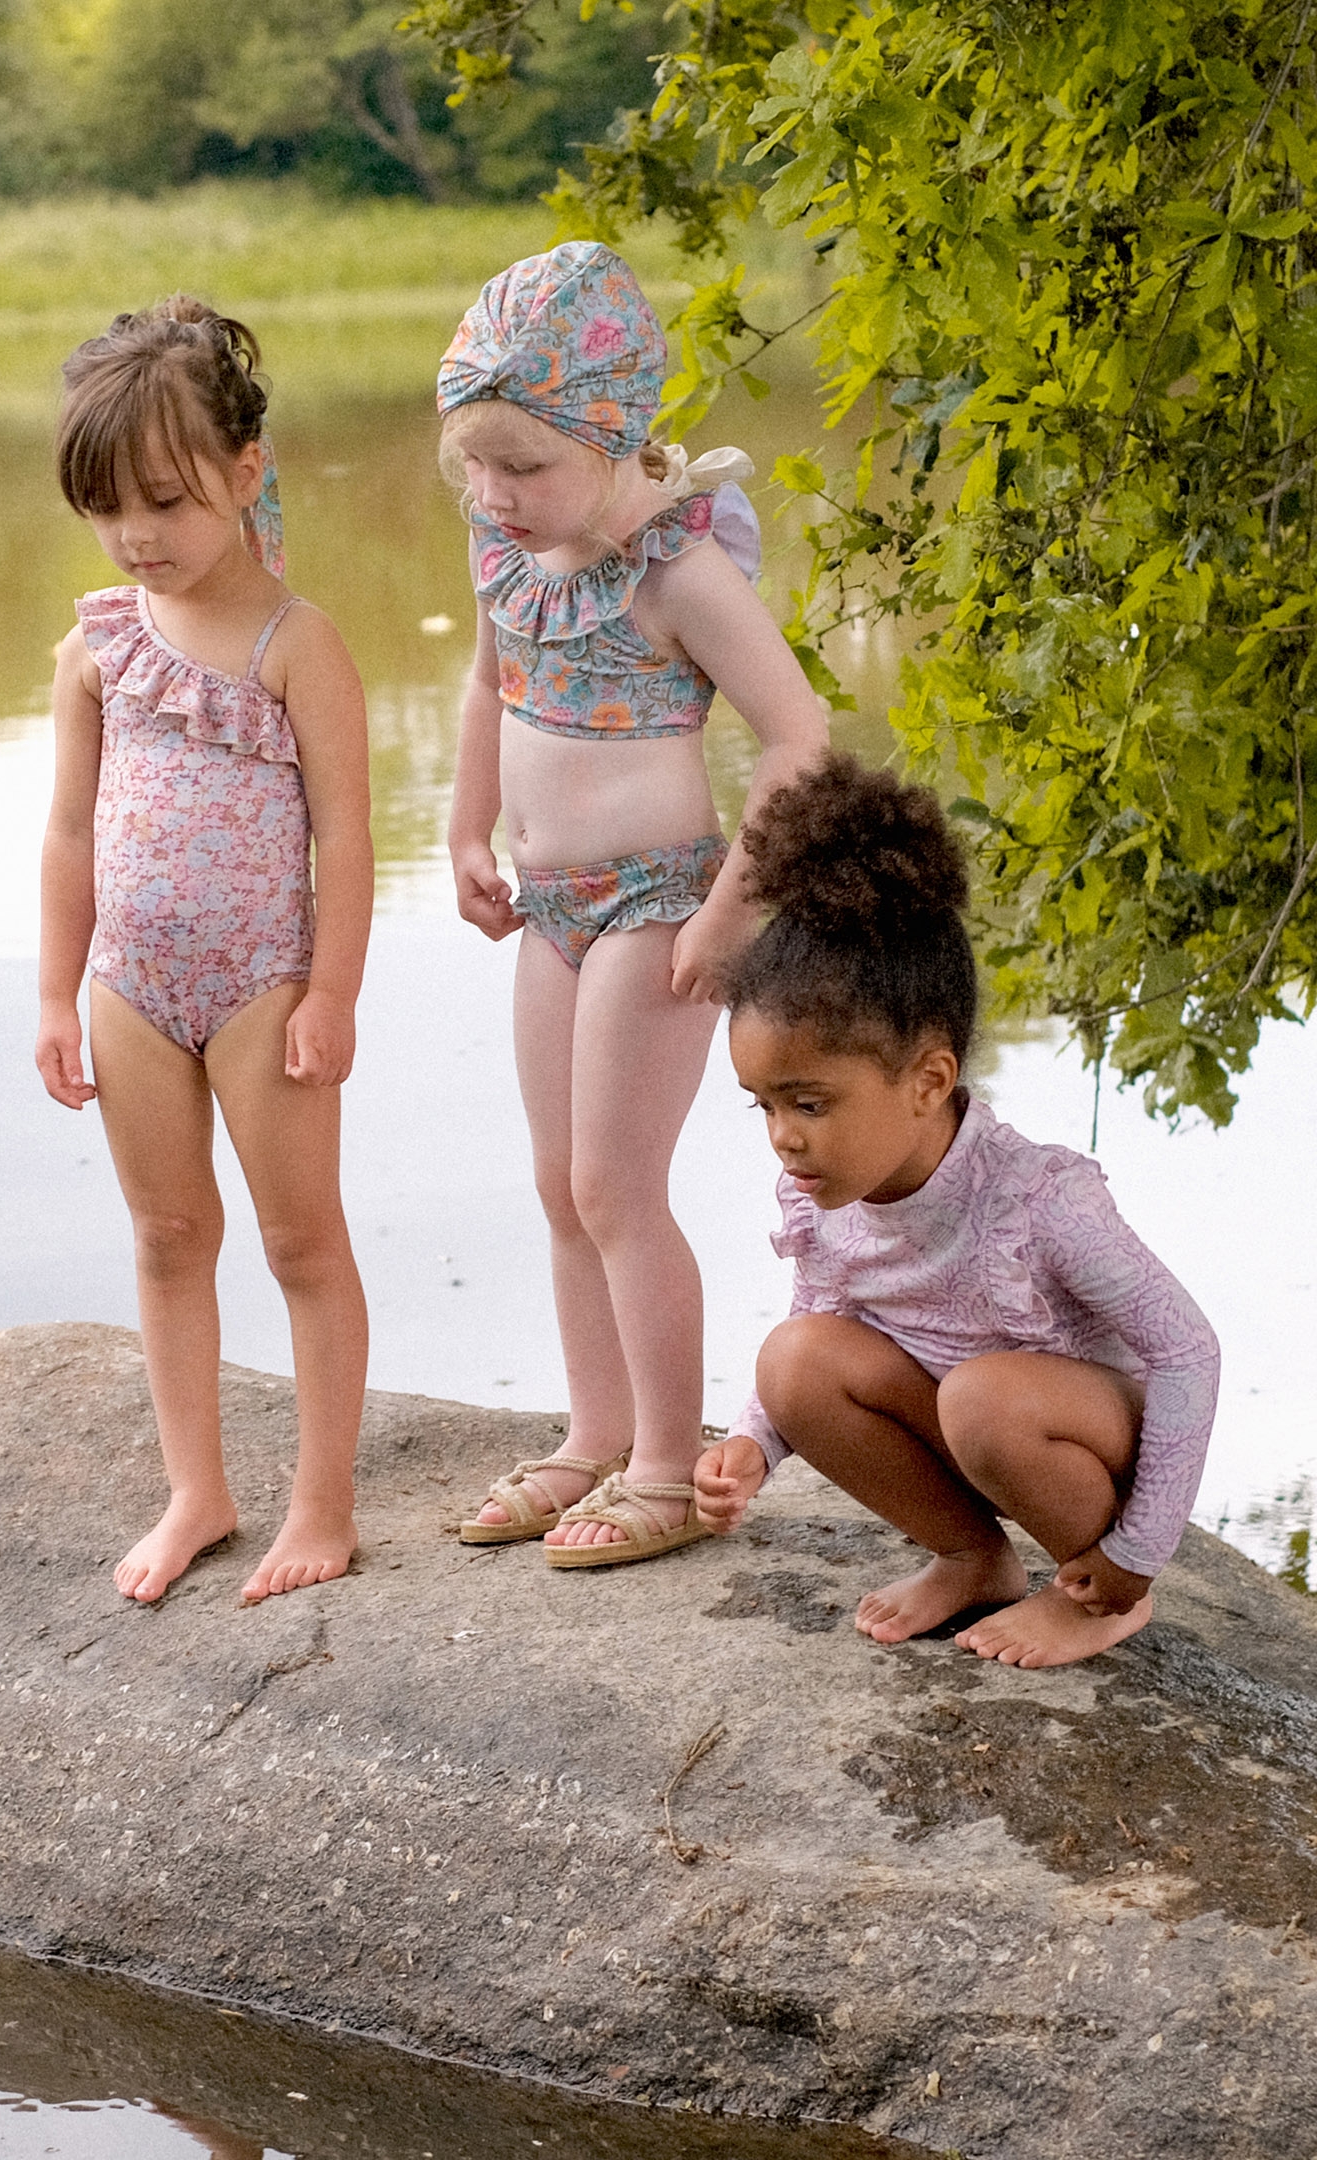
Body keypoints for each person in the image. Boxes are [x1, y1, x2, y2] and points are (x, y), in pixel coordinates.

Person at [437, 242, 829, 1566]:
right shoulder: (505, 553)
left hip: (659, 901)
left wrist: (730, 910)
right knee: (559, 1185)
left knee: (617, 1182)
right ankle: (590, 1435)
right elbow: (491, 691)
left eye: (528, 467)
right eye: (478, 465)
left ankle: (667, 1463)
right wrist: (461, 828)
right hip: (547, 900)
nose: (497, 494)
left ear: (615, 439)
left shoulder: (677, 573)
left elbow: (799, 736)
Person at [694, 754, 1221, 1667]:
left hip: (1079, 1442)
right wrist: (753, 1444)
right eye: (763, 1105)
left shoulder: (1038, 1201)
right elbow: (823, 1318)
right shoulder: (825, 1196)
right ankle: (973, 1557)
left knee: (985, 1399)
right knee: (795, 1362)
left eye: (809, 1103)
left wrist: (1141, 1547)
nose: (782, 1136)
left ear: (930, 1080)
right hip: (971, 1425)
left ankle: (1094, 1593)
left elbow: (1188, 1351)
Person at [37, 297, 373, 1607]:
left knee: (301, 1242)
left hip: (262, 983)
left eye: (167, 503)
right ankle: (199, 1490)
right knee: (169, 1233)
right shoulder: (100, 647)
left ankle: (322, 1503)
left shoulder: (302, 646)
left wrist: (331, 993)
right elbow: (68, 834)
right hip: (130, 981)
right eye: (110, 507)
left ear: (245, 475)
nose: (138, 537)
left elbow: (346, 839)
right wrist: (56, 995)